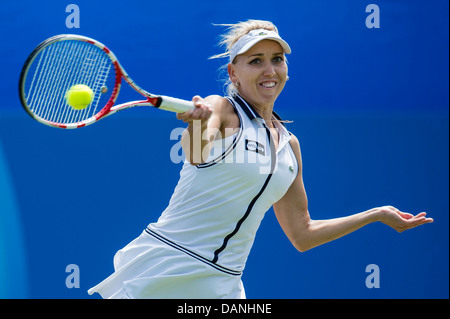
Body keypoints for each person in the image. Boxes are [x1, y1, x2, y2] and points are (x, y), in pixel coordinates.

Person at [88, 19, 433, 299]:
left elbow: (303, 234)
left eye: (276, 59)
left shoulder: (289, 145)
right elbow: (195, 153)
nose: (269, 69)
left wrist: (376, 215)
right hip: (167, 270)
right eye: (256, 61)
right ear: (233, 73)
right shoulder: (221, 109)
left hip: (222, 288)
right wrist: (195, 124)